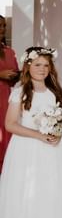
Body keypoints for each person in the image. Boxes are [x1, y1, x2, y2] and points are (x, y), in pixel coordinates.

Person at [0, 47, 62, 218]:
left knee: (51, 191)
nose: (42, 69)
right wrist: (39, 135)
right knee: (28, 192)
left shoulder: (56, 92)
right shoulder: (21, 91)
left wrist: (58, 132)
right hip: (27, 149)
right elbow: (10, 124)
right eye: (37, 64)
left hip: (53, 150)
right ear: (28, 66)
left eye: (46, 65)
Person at [0, 15, 20, 172]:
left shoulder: (9, 51)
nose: (2, 29)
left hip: (5, 99)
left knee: (6, 135)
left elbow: (13, 77)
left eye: (4, 26)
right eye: (0, 25)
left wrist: (16, 76)